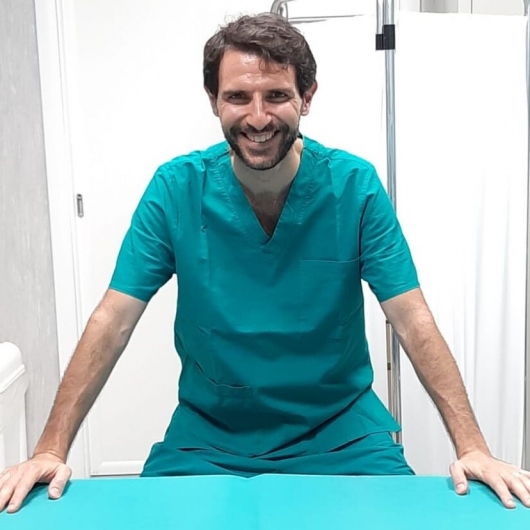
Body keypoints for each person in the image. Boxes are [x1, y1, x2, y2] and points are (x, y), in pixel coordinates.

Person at [1, 12, 529, 514]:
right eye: (238, 97)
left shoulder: (354, 187)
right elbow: (112, 321)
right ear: (214, 100)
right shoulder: (176, 189)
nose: (257, 117)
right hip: (209, 436)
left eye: (276, 95)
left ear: (307, 97)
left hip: (341, 432)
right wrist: (50, 449)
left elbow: (411, 319)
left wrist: (472, 447)